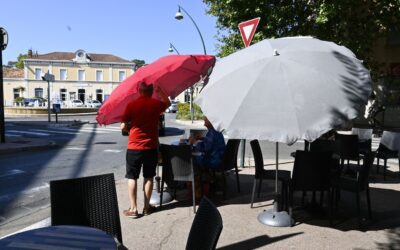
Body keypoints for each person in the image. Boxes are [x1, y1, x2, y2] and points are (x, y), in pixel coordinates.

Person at [121, 82, 170, 218]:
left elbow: (124, 126)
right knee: (149, 176)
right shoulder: (155, 104)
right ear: (151, 91)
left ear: (139, 91)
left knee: (132, 177)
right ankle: (147, 207)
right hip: (150, 147)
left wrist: (128, 129)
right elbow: (167, 103)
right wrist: (160, 91)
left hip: (134, 147)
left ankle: (134, 209)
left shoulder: (131, 105)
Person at [189, 116, 225, 197]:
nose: (204, 119)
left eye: (206, 118)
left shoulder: (212, 132)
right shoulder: (216, 131)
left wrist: (194, 142)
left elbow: (204, 148)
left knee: (192, 158)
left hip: (214, 161)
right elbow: (210, 143)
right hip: (219, 159)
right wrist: (202, 138)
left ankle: (197, 183)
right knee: (195, 157)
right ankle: (206, 178)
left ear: (212, 121)